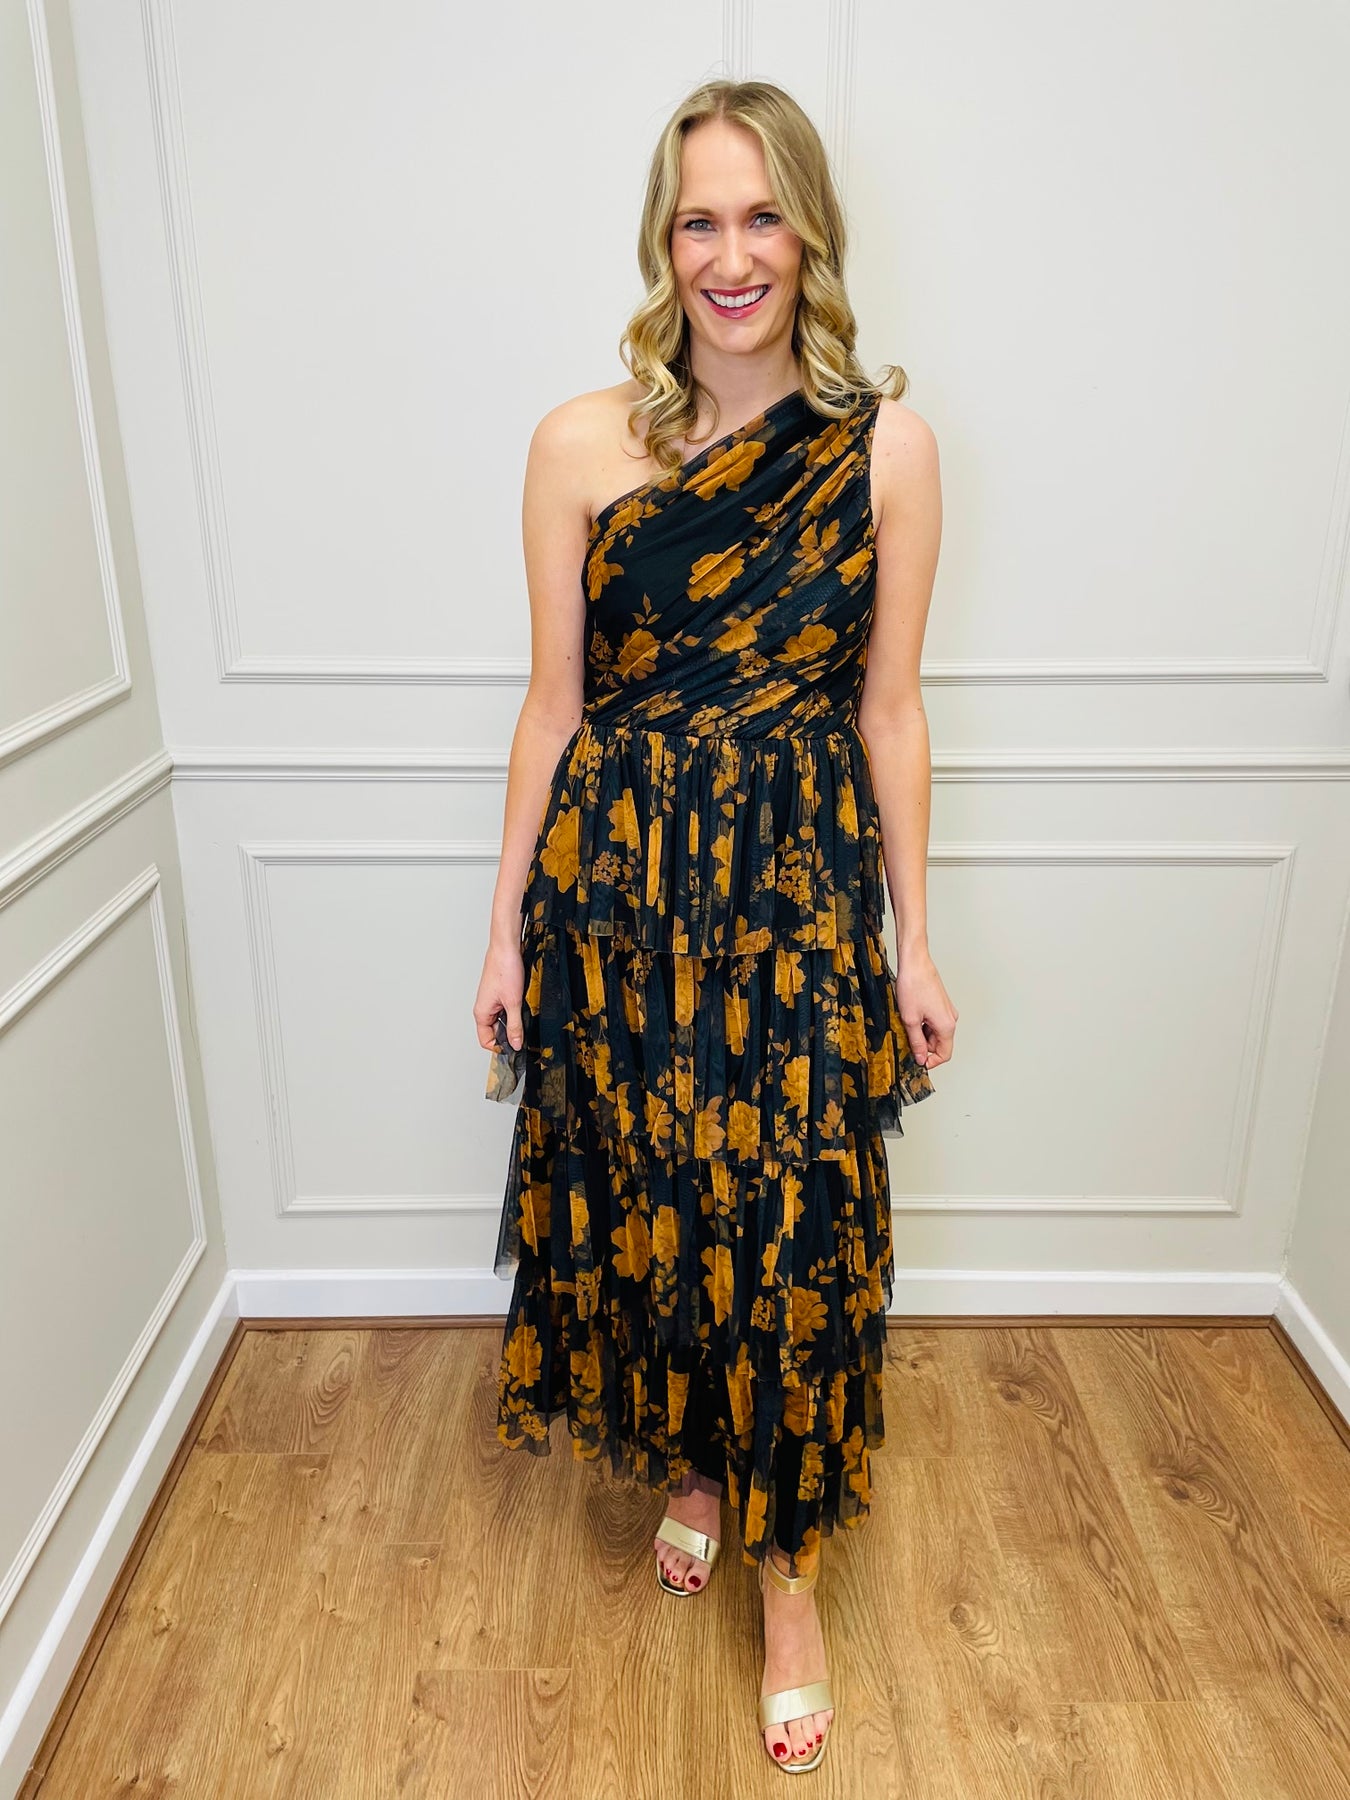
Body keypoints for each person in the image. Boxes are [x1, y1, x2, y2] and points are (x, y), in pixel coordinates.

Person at [475, 77, 956, 1775]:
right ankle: (694, 1461)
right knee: (659, 1200)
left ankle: (791, 1584)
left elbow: (889, 711)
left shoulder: (887, 449)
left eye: (762, 218)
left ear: (809, 235)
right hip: (617, 899)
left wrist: (911, 940)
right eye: (699, 221)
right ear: (660, 241)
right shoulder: (576, 445)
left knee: (795, 1226)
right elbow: (552, 707)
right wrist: (502, 932)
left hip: (795, 891)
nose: (731, 256)